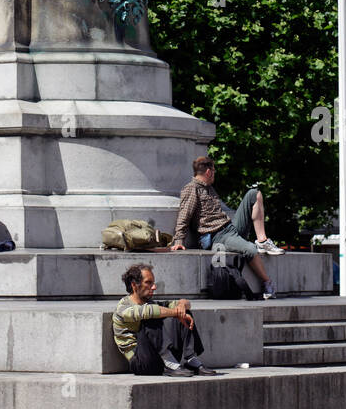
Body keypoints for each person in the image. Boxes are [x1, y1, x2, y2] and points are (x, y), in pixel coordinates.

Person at [170, 156, 283, 299]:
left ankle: (262, 241)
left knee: (254, 194)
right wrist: (179, 240)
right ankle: (267, 284)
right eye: (214, 171)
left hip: (229, 228)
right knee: (249, 249)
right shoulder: (191, 189)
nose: (215, 175)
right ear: (209, 172)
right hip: (218, 236)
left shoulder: (209, 188)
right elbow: (184, 215)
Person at [112, 263, 219, 376]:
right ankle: (170, 363)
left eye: (153, 283)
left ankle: (190, 359)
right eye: (148, 283)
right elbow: (148, 311)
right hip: (141, 362)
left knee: (183, 312)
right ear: (134, 285)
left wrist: (182, 306)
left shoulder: (150, 303)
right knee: (153, 316)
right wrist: (176, 313)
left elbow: (184, 303)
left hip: (160, 358)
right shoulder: (123, 308)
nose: (154, 287)